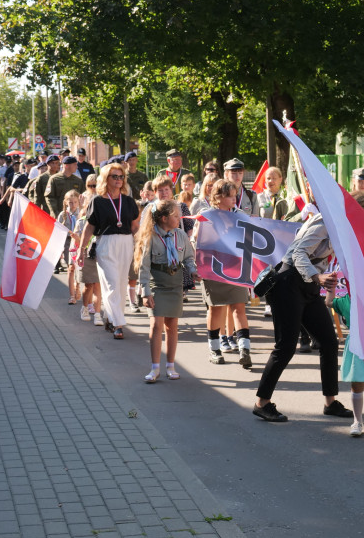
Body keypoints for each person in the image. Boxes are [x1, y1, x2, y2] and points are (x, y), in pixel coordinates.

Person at [251, 193, 364, 424]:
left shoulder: (341, 227)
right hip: (288, 283)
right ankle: (261, 403)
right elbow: (298, 253)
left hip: (308, 285)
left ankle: (330, 402)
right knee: (285, 346)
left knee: (328, 341)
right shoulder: (325, 221)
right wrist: (318, 277)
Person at [134, 198, 199, 383]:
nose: (180, 218)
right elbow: (144, 267)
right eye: (176, 216)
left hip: (175, 284)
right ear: (163, 218)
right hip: (157, 285)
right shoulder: (150, 237)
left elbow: (187, 257)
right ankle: (155, 368)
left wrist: (193, 271)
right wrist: (145, 292)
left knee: (172, 326)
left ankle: (170, 365)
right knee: (156, 326)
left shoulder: (180, 235)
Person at [191, 179, 254, 368]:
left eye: (235, 195)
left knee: (239, 307)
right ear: (218, 197)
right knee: (215, 308)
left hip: (235, 267)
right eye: (230, 196)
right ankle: (215, 349)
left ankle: (245, 350)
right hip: (213, 266)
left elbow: (250, 239)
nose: (234, 199)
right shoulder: (206, 216)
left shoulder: (240, 216)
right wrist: (197, 267)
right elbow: (197, 241)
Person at [77, 162, 140, 339]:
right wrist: (81, 250)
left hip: (126, 242)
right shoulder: (97, 201)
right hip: (105, 242)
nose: (119, 180)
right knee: (111, 283)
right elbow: (89, 227)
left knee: (120, 284)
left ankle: (110, 318)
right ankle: (119, 324)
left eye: (121, 177)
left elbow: (135, 226)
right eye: (115, 176)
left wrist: (140, 243)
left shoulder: (128, 201)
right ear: (106, 179)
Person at [74, 175, 105, 325]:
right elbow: (77, 239)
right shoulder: (81, 221)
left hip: (99, 253)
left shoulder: (102, 218)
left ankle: (98, 313)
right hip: (87, 254)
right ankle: (85, 307)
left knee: (98, 285)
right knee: (89, 285)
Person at [56, 190, 82, 298]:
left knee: (79, 268)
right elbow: (58, 231)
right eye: (70, 202)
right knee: (70, 268)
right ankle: (72, 295)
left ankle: (77, 286)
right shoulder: (63, 215)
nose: (73, 205)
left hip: (79, 242)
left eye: (75, 202)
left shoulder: (81, 213)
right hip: (68, 242)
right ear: (66, 202)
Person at [45, 155, 85, 220]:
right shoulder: (54, 179)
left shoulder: (78, 181)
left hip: (75, 216)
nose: (77, 167)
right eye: (74, 164)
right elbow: (49, 197)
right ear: (66, 166)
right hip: (58, 215)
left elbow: (83, 196)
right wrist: (55, 213)